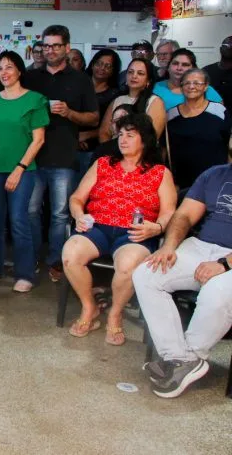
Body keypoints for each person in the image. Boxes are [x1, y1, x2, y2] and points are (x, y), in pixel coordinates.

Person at [63, 113, 176, 346]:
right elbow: (76, 198)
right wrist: (78, 214)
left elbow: (169, 211)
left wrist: (157, 227)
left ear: (144, 140)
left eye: (130, 135)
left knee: (127, 265)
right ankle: (89, 308)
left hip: (135, 232)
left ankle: (115, 313)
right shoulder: (103, 163)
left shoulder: (159, 173)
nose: (123, 140)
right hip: (98, 226)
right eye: (120, 135)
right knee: (70, 255)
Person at [133, 160, 232, 398]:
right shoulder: (214, 174)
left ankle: (188, 356)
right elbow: (184, 215)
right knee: (147, 274)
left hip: (228, 260)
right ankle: (180, 358)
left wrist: (224, 264)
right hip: (201, 247)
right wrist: (169, 246)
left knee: (215, 291)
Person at [23, 25, 99, 282]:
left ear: (67, 48)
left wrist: (70, 113)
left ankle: (55, 261)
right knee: (31, 210)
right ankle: (30, 257)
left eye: (56, 45)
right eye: (46, 45)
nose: (51, 50)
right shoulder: (31, 78)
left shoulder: (80, 80)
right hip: (32, 156)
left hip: (64, 157)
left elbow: (93, 118)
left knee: (59, 213)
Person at [0, 51, 48, 293]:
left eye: (9, 67)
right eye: (0, 69)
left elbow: (38, 140)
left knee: (19, 220)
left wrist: (19, 168)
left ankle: (25, 273)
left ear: (19, 70)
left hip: (22, 170)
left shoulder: (35, 100)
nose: (4, 73)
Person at [165, 69, 231, 190]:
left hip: (216, 182)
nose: (191, 86)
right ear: (181, 87)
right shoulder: (171, 114)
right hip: (181, 183)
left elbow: (229, 145)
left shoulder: (219, 111)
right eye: (187, 83)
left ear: (206, 86)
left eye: (197, 83)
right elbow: (165, 149)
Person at [99, 57, 166, 143]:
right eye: (130, 72)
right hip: (113, 151)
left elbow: (151, 137)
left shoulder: (155, 101)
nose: (134, 76)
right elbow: (104, 132)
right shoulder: (118, 100)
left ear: (148, 81)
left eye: (140, 73)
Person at [77, 49, 121, 171]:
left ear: (113, 70)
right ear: (92, 64)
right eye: (99, 63)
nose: (102, 68)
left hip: (95, 147)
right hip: (69, 143)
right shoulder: (77, 86)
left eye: (108, 66)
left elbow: (112, 126)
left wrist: (86, 135)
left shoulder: (115, 94)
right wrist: (75, 137)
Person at [154, 49, 223, 111]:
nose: (179, 68)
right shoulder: (155, 88)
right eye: (175, 63)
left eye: (185, 65)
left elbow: (221, 115)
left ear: (193, 69)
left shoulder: (205, 89)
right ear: (168, 67)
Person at [203, 36, 232, 107]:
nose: (230, 47)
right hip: (210, 116)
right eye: (227, 45)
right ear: (220, 49)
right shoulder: (206, 72)